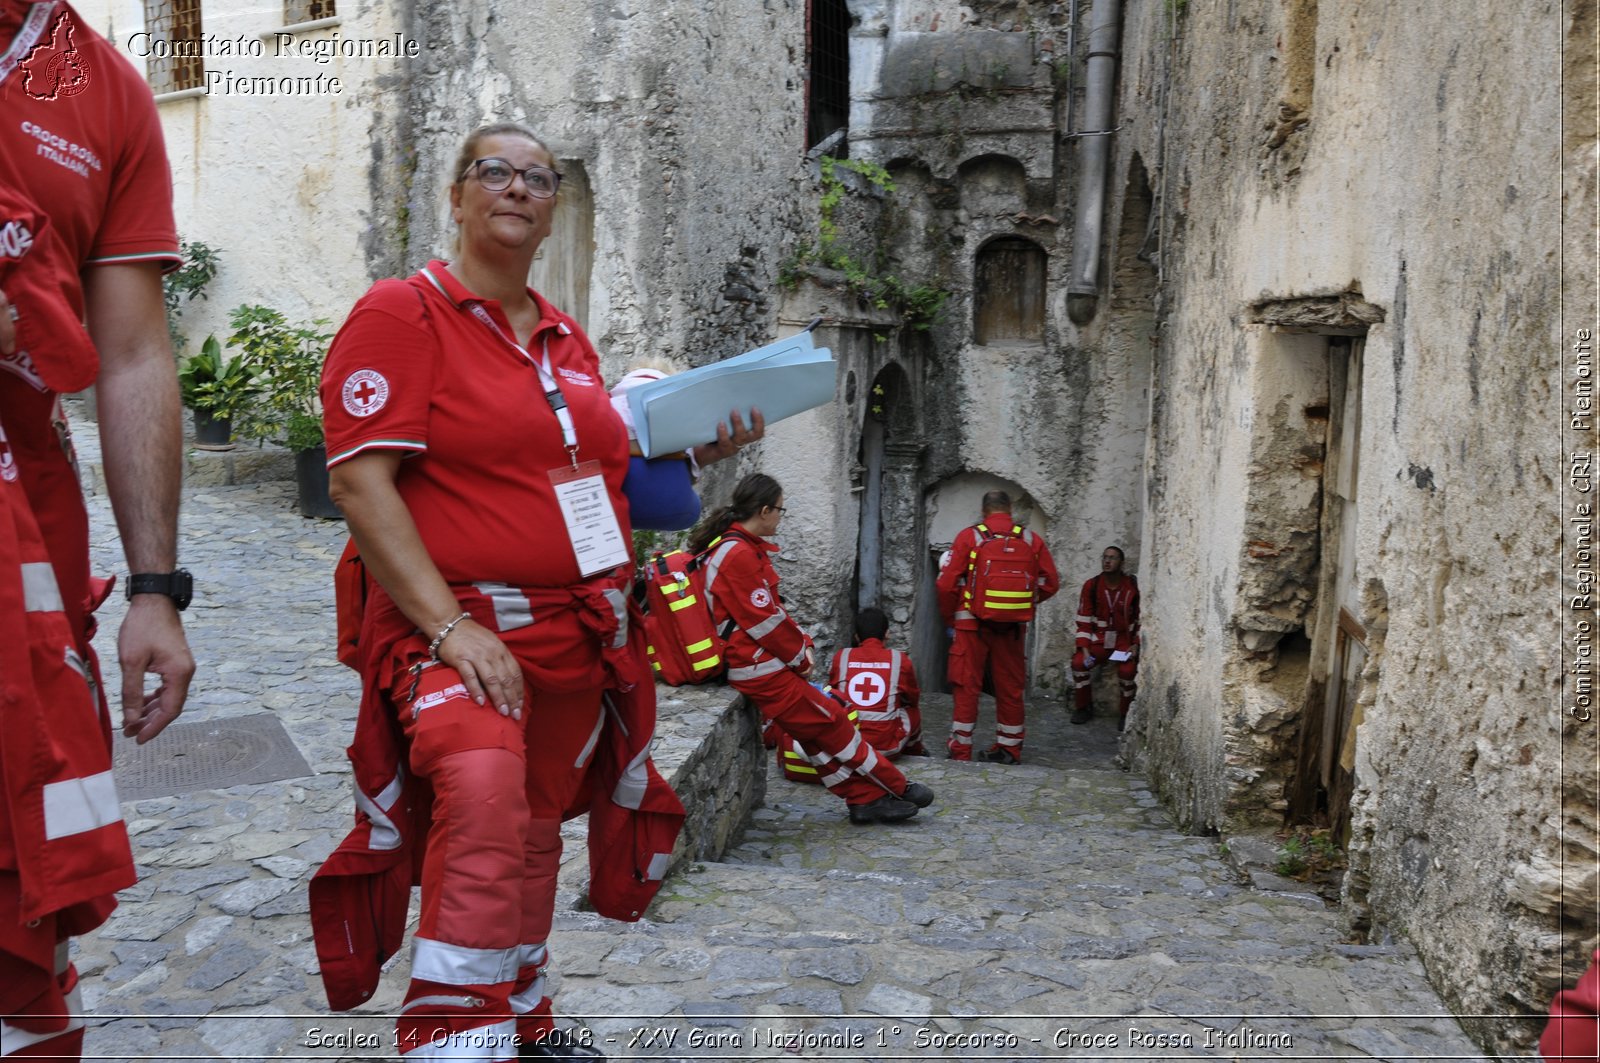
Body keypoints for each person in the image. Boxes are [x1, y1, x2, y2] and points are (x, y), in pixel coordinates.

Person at [311, 121, 760, 1062]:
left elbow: (596, 474)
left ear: (555, 207)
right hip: (456, 623)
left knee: (531, 825)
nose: (516, 189)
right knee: (478, 791)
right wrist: (448, 629)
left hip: (571, 629)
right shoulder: (402, 314)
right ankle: (450, 1035)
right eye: (495, 172)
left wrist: (686, 445)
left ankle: (521, 1015)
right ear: (457, 194)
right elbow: (359, 481)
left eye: (539, 179)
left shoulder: (564, 336)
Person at [0, 2, 196, 1056]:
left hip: (24, 558)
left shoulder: (106, 88)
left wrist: (155, 587)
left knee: (20, 889)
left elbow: (131, 356)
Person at [689, 473, 935, 823]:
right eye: (779, 510)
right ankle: (898, 785)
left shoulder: (737, 549)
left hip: (755, 663)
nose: (780, 517)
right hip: (758, 667)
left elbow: (767, 613)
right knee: (832, 720)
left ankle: (864, 800)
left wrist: (798, 643)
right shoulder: (738, 555)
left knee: (814, 733)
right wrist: (800, 656)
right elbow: (765, 623)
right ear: (763, 510)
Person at [936, 489, 1059, 763]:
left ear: (984, 511)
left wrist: (951, 617)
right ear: (1010, 509)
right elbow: (1050, 583)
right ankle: (1009, 748)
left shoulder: (970, 537)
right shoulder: (1030, 538)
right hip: (1013, 627)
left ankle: (961, 749)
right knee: (1010, 688)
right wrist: (1024, 603)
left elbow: (945, 585)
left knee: (966, 686)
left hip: (971, 626)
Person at [828, 606, 925, 758]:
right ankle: (915, 751)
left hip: (845, 743)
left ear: (857, 637)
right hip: (885, 746)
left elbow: (833, 694)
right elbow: (912, 697)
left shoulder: (842, 656)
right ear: (887, 634)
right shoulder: (899, 660)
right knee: (913, 711)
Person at [1070, 545, 1141, 729]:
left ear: (1122, 562)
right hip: (1099, 640)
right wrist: (1084, 650)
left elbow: (1141, 618)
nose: (1107, 561)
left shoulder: (1131, 587)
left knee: (1127, 672)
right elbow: (1083, 620)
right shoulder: (1092, 585)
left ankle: (1125, 714)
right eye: (1105, 557)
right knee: (1079, 664)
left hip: (1122, 641)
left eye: (1113, 558)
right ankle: (1083, 707)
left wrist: (1135, 644)